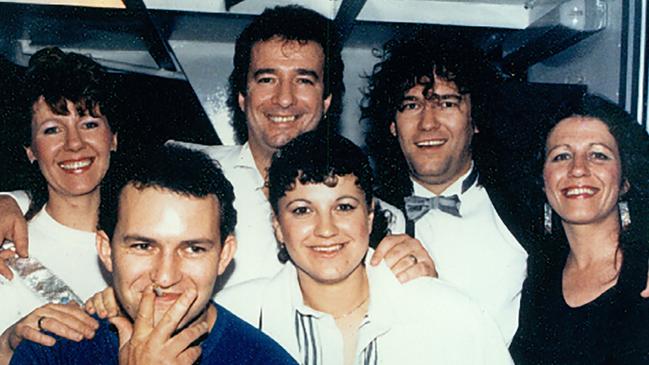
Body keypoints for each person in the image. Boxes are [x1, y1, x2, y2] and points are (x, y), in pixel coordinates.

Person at [0, 5, 435, 289]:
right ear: (242, 96)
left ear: (326, 100)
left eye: (303, 80)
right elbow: (91, 189)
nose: (284, 99)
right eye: (266, 79)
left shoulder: (372, 215)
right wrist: (11, 201)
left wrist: (418, 277)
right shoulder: (187, 173)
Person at [217, 131, 513, 365]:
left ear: (370, 216)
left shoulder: (450, 315)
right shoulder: (233, 317)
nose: (326, 229)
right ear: (278, 226)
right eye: (302, 210)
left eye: (344, 207)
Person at [10, 144, 297, 364]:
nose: (165, 276)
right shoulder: (51, 352)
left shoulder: (265, 360)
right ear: (105, 250)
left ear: (224, 256)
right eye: (143, 246)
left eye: (193, 249)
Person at [361, 30, 535, 343]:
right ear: (391, 124)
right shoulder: (363, 218)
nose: (428, 123)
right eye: (411, 105)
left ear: (476, 119)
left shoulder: (529, 210)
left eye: (447, 103)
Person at [0, 48, 119, 364]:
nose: (74, 143)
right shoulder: (9, 258)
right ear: (30, 150)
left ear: (113, 138)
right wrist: (7, 345)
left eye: (89, 123)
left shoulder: (149, 246)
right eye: (52, 129)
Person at [510, 94, 649, 364]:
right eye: (561, 156)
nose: (577, 169)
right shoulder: (536, 279)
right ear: (542, 179)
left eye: (598, 155)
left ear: (625, 180)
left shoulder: (645, 273)